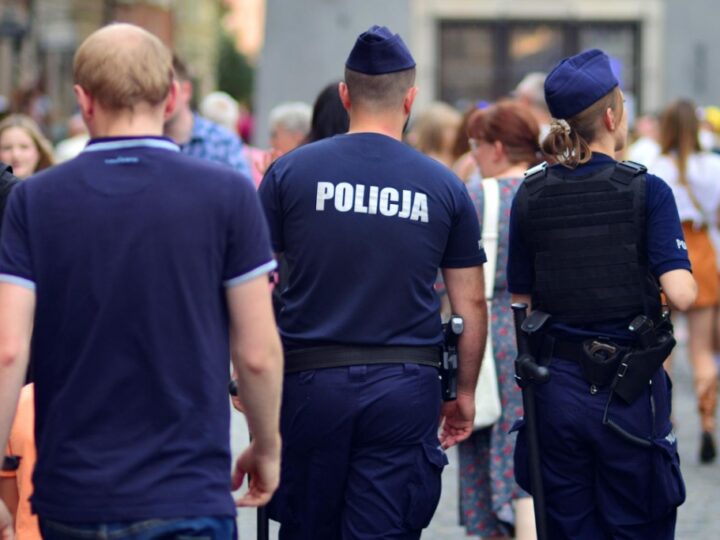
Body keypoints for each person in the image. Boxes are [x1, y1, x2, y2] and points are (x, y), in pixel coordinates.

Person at [0, 22, 283, 539]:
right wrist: (267, 446)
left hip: (74, 491)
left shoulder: (34, 201)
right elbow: (258, 352)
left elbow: (8, 351)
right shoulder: (226, 196)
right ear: (172, 95)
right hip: (186, 488)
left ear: (83, 101)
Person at [258, 25, 487, 539]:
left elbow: (255, 283)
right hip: (404, 387)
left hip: (310, 383)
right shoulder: (444, 185)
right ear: (410, 98)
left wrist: (246, 375)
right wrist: (464, 391)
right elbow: (469, 300)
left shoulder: (289, 173)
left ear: (345, 95)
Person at [507, 49, 696, 539]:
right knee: (639, 523)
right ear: (612, 116)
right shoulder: (646, 190)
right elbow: (683, 293)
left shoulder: (530, 193)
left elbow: (522, 300)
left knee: (568, 526)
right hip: (628, 391)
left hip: (556, 389)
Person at [458, 101, 540, 540]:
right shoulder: (547, 189)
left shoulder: (476, 196)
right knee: (529, 445)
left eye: (475, 146)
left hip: (487, 331)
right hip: (540, 333)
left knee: (485, 434)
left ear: (496, 147)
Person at [650, 99, 720, 463]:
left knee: (664, 350)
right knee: (703, 350)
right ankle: (707, 422)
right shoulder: (713, 166)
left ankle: (668, 421)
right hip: (703, 252)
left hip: (664, 253)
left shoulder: (655, 165)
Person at [163, 56, 252, 178]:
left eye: (164, 89)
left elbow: (244, 193)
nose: (156, 97)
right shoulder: (144, 143)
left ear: (186, 91)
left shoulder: (223, 143)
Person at [409, 101, 462, 168]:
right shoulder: (430, 162)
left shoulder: (457, 158)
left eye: (457, 129)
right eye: (451, 129)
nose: (457, 134)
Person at [0, 114, 54, 179]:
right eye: (7, 148)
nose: (16, 155)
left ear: (39, 151)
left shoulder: (56, 186)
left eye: (24, 147)